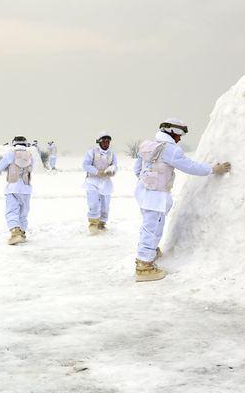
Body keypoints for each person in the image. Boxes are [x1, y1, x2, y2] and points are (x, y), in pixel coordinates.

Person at [133, 119, 231, 282]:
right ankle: (144, 265)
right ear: (173, 133)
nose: (180, 139)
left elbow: (137, 169)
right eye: (180, 135)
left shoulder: (148, 146)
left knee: (148, 227)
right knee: (153, 229)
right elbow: (190, 166)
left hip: (144, 194)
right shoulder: (170, 150)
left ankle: (149, 252)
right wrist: (213, 169)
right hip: (156, 197)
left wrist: (147, 182)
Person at [0, 136, 34, 245]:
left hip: (13, 187)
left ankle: (15, 232)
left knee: (12, 211)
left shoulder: (10, 154)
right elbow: (31, 168)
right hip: (26, 188)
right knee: (23, 212)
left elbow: (0, 166)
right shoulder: (30, 156)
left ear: (14, 143)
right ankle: (22, 232)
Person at [82, 132, 117, 234]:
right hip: (92, 181)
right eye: (104, 141)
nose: (106, 143)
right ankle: (93, 223)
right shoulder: (92, 152)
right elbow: (85, 165)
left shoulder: (112, 154)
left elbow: (115, 165)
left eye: (108, 141)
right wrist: (97, 172)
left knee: (105, 204)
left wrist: (112, 170)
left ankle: (102, 223)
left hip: (106, 182)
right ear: (99, 142)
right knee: (93, 203)